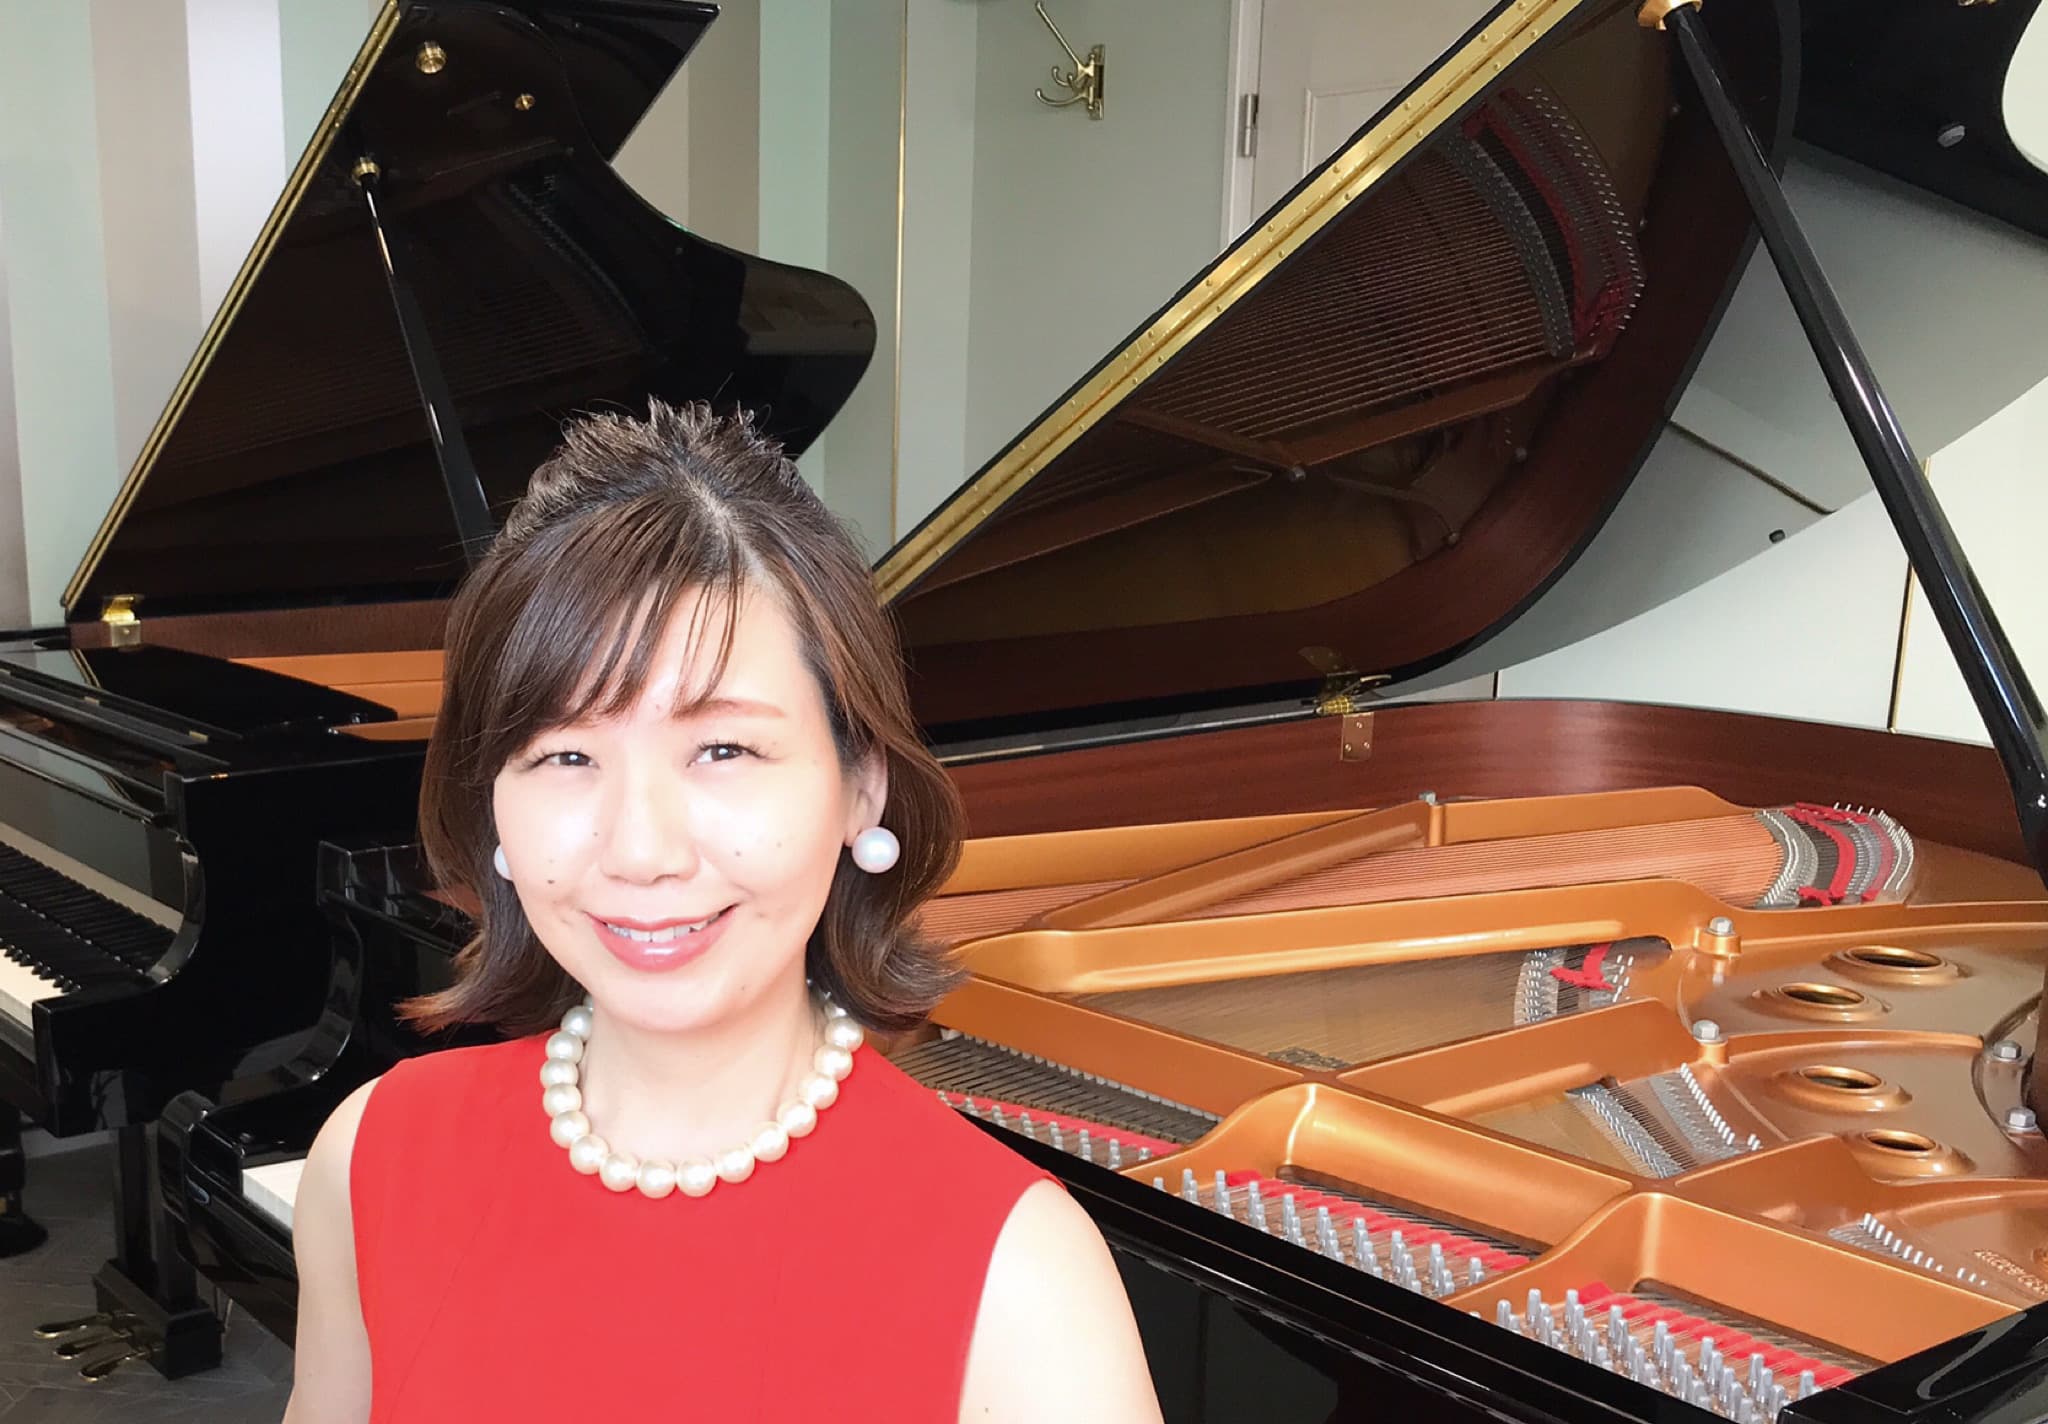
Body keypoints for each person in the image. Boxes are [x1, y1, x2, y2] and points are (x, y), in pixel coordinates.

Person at [282, 400, 1165, 1423]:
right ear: (493, 806)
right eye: (565, 756)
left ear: (861, 786)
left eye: (723, 748)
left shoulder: (1023, 1280)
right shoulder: (372, 1155)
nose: (642, 850)